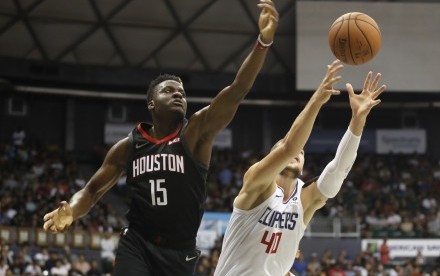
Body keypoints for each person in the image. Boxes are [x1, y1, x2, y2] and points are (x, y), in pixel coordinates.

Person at [42, 1, 279, 275]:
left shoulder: (195, 133)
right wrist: (71, 211)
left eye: (182, 92)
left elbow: (237, 90)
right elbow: (92, 191)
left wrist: (263, 42)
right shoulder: (128, 147)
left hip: (180, 252)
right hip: (138, 243)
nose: (179, 94)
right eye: (168, 90)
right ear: (152, 103)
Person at [215, 60, 386, 275]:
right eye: (290, 149)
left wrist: (357, 121)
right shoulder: (256, 183)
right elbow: (289, 147)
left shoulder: (304, 201)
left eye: (302, 152)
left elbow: (338, 170)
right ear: (272, 158)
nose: (298, 152)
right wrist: (317, 100)